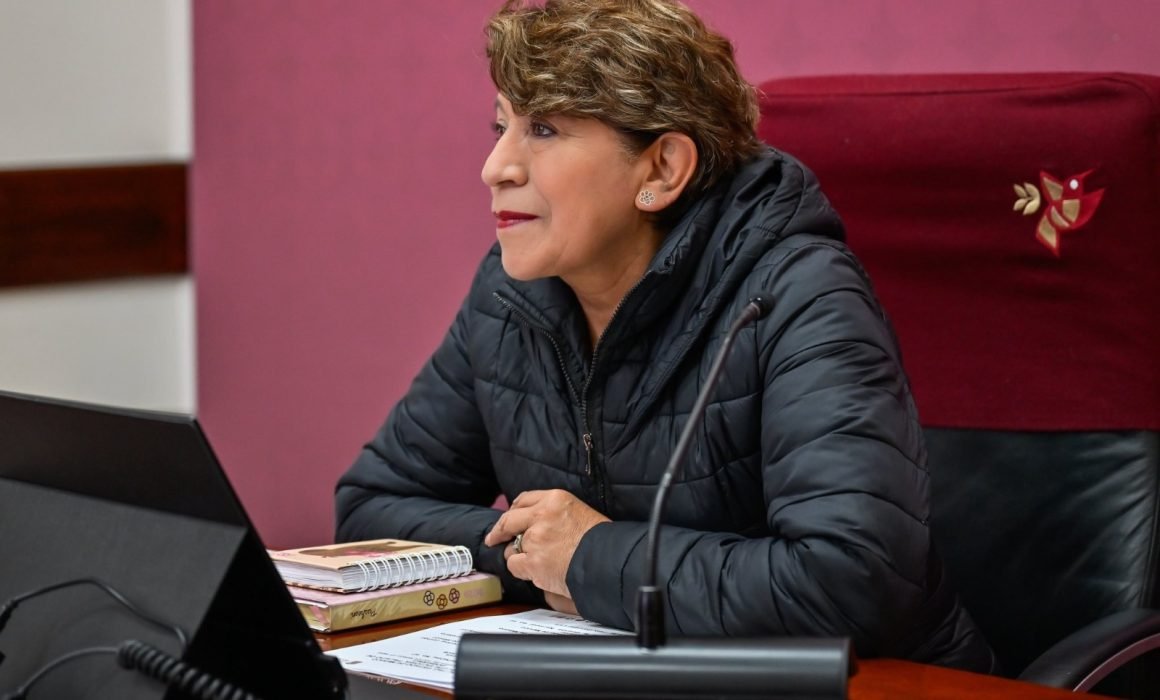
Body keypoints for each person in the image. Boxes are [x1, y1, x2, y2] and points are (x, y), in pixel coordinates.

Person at [336, 0, 996, 671]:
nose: (495, 167)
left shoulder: (797, 293)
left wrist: (590, 560)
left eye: (544, 130)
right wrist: (540, 555)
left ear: (660, 170)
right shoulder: (512, 296)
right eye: (501, 127)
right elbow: (371, 512)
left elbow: (854, 582)